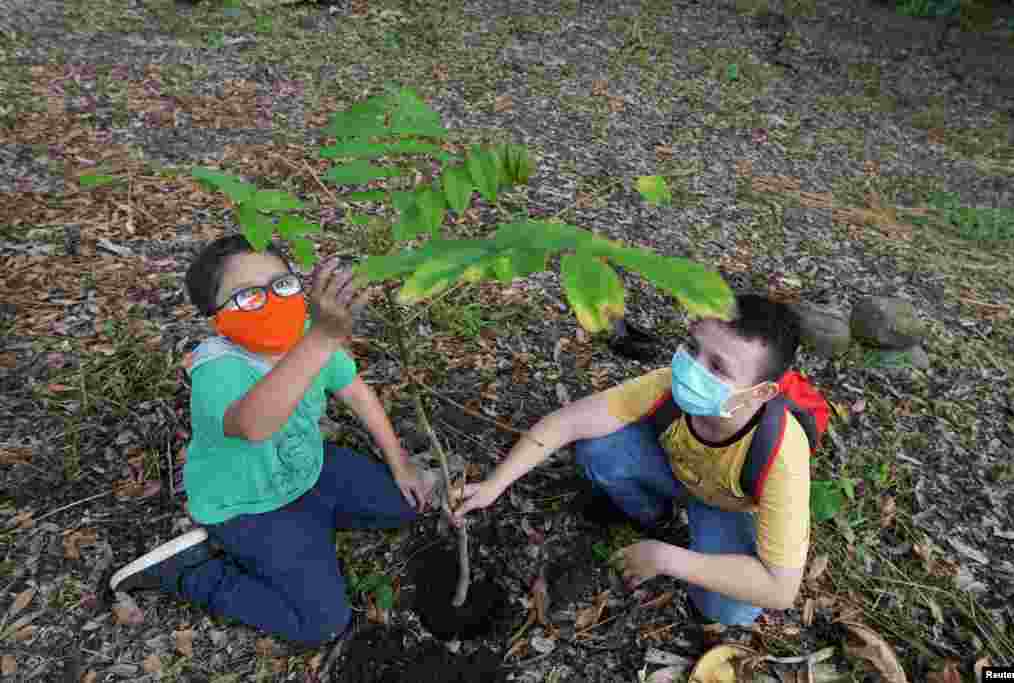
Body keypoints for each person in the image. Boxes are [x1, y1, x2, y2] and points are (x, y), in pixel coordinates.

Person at [109, 235, 433, 650]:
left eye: (280, 285)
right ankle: (191, 570)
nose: (271, 301)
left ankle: (311, 529)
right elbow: (254, 426)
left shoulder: (305, 334)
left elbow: (356, 393)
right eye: (247, 296)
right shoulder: (218, 366)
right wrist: (321, 338)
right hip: (248, 506)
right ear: (215, 316)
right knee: (322, 624)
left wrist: (400, 462)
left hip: (309, 469)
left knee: (407, 504)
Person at [449, 295, 810, 626]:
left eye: (718, 367)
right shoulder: (666, 385)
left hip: (726, 506)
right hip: (676, 469)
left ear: (760, 393)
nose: (691, 368)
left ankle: (678, 540)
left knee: (730, 609)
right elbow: (570, 421)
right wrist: (494, 485)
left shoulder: (780, 456)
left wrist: (669, 560)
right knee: (599, 449)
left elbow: (780, 589)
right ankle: (658, 519)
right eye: (692, 347)